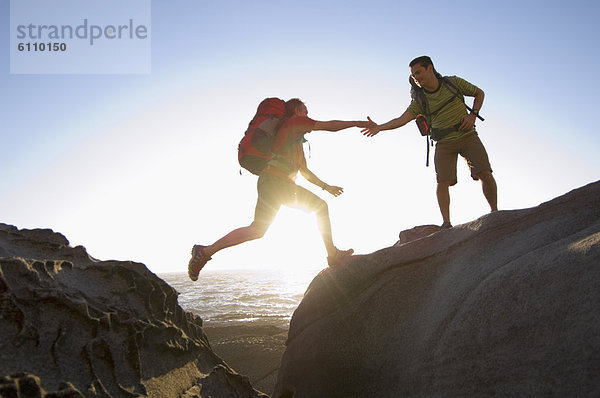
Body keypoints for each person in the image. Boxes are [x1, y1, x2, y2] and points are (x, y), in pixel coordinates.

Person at [187, 98, 371, 281]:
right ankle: (332, 255)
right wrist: (356, 123)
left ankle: (204, 251)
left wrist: (326, 187)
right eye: (305, 111)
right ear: (297, 111)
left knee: (257, 230)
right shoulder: (293, 122)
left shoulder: (295, 140)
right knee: (320, 207)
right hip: (277, 182)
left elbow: (305, 171)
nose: (308, 116)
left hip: (269, 181)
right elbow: (329, 126)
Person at [362, 56, 498, 228]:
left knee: (484, 172)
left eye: (418, 72)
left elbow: (479, 93)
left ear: (430, 69)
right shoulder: (420, 100)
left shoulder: (453, 83)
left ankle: (495, 213)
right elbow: (402, 119)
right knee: (442, 183)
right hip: (443, 143)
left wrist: (473, 115)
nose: (416, 77)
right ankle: (446, 223)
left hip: (468, 136)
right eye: (413, 75)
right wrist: (379, 127)